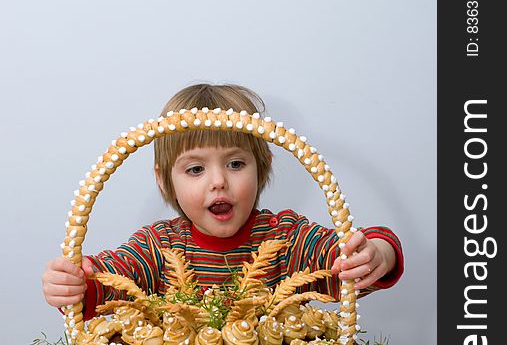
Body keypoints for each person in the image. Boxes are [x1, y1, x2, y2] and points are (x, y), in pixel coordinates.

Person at [42, 83, 404, 318]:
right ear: (164, 180)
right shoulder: (158, 247)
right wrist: (75, 283)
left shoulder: (287, 238)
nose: (218, 182)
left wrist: (376, 256)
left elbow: (347, 258)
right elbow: (107, 281)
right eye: (195, 169)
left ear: (262, 168)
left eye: (235, 164)